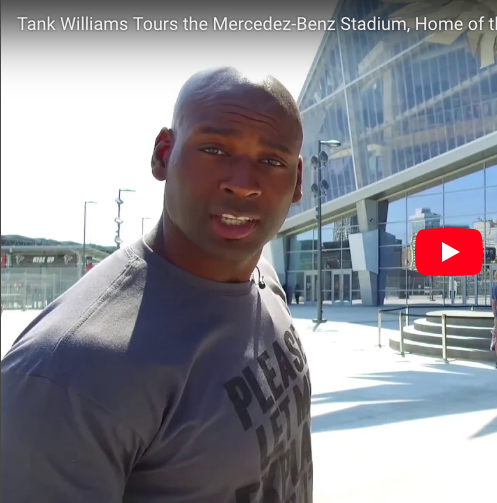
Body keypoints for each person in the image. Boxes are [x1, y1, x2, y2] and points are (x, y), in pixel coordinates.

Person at [0, 67, 313, 503]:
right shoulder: (67, 372)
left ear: (297, 181)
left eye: (271, 161)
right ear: (163, 154)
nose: (242, 185)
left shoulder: (264, 280)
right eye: (214, 149)